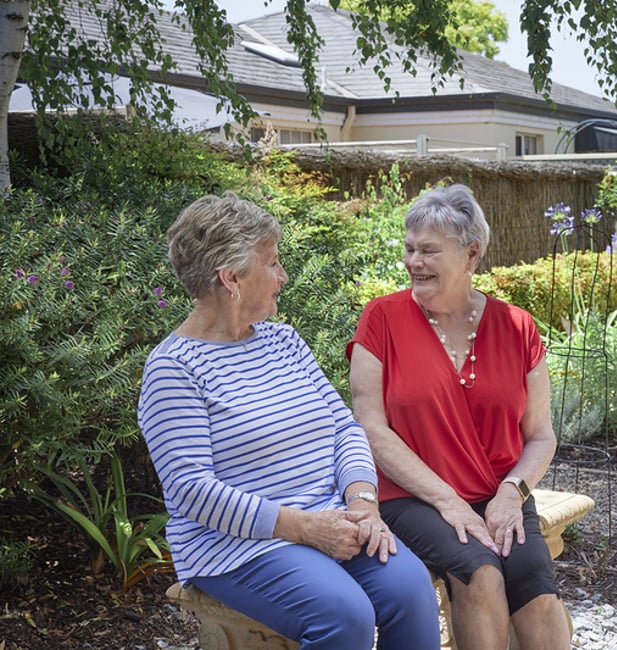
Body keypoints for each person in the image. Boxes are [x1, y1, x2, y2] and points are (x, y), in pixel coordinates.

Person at [137, 191, 440, 650]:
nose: (283, 276)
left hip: (333, 517)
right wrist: (302, 527)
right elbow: (191, 490)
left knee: (411, 591)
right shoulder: (173, 369)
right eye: (273, 263)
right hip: (237, 546)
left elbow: (344, 429)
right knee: (345, 616)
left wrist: (362, 501)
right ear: (231, 278)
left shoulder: (284, 342)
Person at [347, 184, 571, 650]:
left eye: (429, 251)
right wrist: (447, 501)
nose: (414, 262)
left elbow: (540, 436)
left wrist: (512, 492)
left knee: (536, 588)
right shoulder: (381, 318)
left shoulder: (518, 327)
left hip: (498, 493)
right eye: (409, 249)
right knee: (481, 574)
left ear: (471, 255)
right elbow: (370, 427)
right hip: (411, 495)